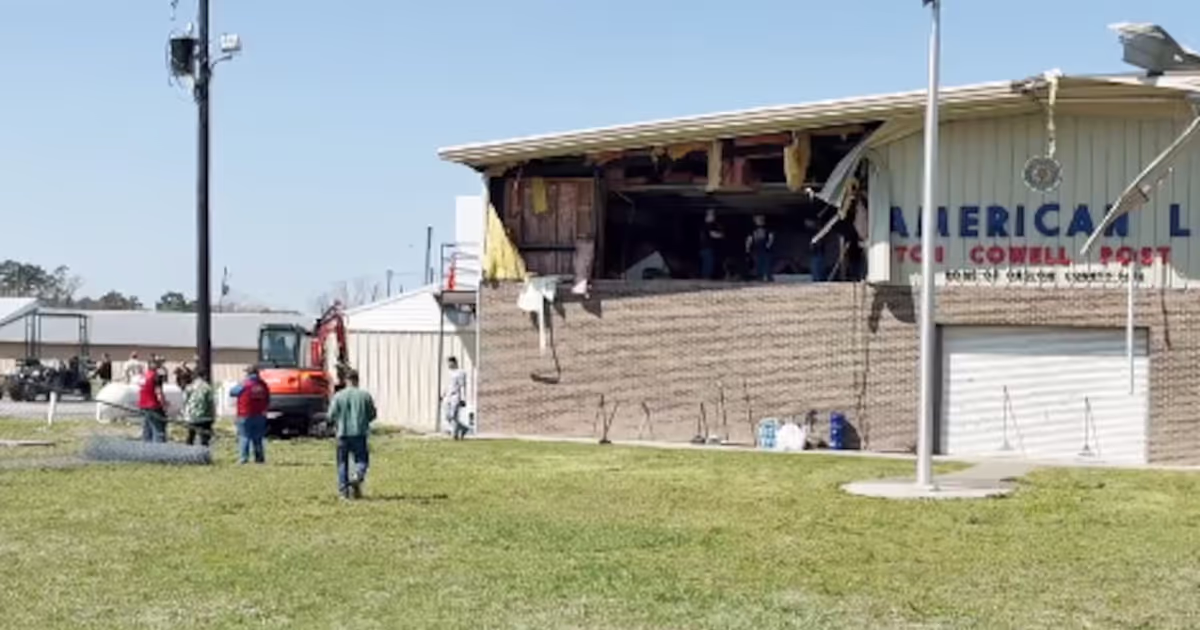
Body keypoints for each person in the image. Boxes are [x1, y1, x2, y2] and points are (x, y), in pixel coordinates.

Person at [328, 369, 377, 500]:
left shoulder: (338, 396)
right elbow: (372, 415)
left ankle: (343, 493)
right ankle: (357, 475)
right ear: (357, 380)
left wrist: (337, 422)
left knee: (342, 463)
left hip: (342, 433)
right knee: (362, 460)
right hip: (359, 433)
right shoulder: (365, 396)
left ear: (346, 380)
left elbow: (331, 415)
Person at [229, 365, 271, 464]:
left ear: (248, 373)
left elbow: (232, 392)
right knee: (258, 437)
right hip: (260, 415)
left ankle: (244, 458)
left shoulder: (244, 384)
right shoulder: (263, 385)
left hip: (245, 414)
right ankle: (259, 458)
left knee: (244, 436)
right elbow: (268, 398)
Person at [137, 357, 169, 443]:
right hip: (153, 405)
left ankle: (146, 447)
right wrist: (164, 404)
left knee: (147, 428)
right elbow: (158, 391)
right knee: (159, 429)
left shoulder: (144, 375)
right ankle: (159, 448)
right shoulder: (155, 376)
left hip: (143, 405)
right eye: (158, 363)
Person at [184, 370, 216, 447]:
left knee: (191, 435)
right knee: (204, 438)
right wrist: (213, 415)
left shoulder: (189, 387)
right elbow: (211, 402)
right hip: (205, 416)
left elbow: (185, 401)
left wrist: (185, 413)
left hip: (191, 416)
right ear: (204, 376)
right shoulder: (207, 387)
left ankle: (188, 450)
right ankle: (203, 451)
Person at [443, 357, 469, 440]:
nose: (448, 365)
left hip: (456, 396)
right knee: (447, 416)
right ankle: (464, 428)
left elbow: (462, 386)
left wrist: (463, 398)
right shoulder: (448, 373)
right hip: (447, 396)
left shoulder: (460, 373)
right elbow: (446, 385)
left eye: (450, 363)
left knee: (454, 415)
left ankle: (454, 435)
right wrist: (443, 394)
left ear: (454, 363)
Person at [745, 214, 775, 281]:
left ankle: (768, 276)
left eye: (761, 219)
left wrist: (768, 245)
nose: (759, 221)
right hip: (757, 248)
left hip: (765, 248)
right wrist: (747, 248)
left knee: (767, 262)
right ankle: (759, 277)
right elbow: (749, 239)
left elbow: (771, 237)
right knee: (758, 262)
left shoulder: (768, 229)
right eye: (757, 219)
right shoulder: (752, 230)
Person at [698, 208, 725, 280]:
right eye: (712, 215)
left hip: (703, 247)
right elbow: (713, 234)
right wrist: (721, 234)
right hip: (707, 247)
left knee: (706, 262)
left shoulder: (704, 226)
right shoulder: (708, 226)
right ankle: (706, 276)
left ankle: (705, 275)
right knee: (708, 262)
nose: (713, 217)